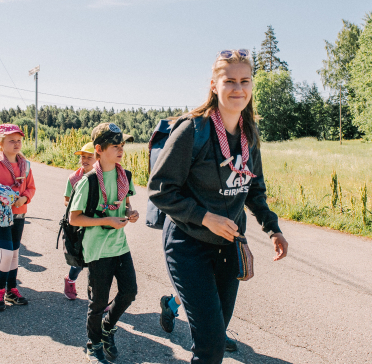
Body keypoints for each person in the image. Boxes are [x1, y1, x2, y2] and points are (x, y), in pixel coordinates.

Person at [147, 49, 289, 364]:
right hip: (188, 243)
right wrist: (205, 217)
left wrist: (272, 228)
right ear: (214, 84)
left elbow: (253, 186)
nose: (238, 88)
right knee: (210, 346)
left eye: (245, 81)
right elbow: (160, 190)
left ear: (252, 86)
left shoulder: (249, 132)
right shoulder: (192, 130)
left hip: (228, 246)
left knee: (217, 330)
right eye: (230, 81)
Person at [69, 123, 139, 364]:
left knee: (129, 292)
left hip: (119, 245)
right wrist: (107, 219)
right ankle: (94, 343)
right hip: (97, 249)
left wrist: (131, 212)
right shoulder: (88, 182)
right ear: (99, 149)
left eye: (122, 146)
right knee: (98, 302)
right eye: (115, 146)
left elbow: (126, 203)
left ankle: (108, 328)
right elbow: (73, 217)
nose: (121, 150)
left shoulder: (124, 176)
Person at [0, 124, 36, 311]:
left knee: (15, 253)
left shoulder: (25, 165)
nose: (16, 143)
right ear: (1, 143)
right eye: (11, 140)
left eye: (19, 140)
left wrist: (24, 198)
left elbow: (31, 187)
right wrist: (0, 200)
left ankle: (12, 289)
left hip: (19, 214)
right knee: (7, 252)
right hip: (0, 216)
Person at [62, 141, 96, 300]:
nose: (85, 159)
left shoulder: (102, 178)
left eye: (90, 157)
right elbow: (66, 200)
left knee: (97, 261)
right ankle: (70, 280)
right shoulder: (74, 178)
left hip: (96, 224)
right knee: (79, 262)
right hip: (78, 226)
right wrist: (79, 206)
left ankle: (97, 296)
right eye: (83, 156)